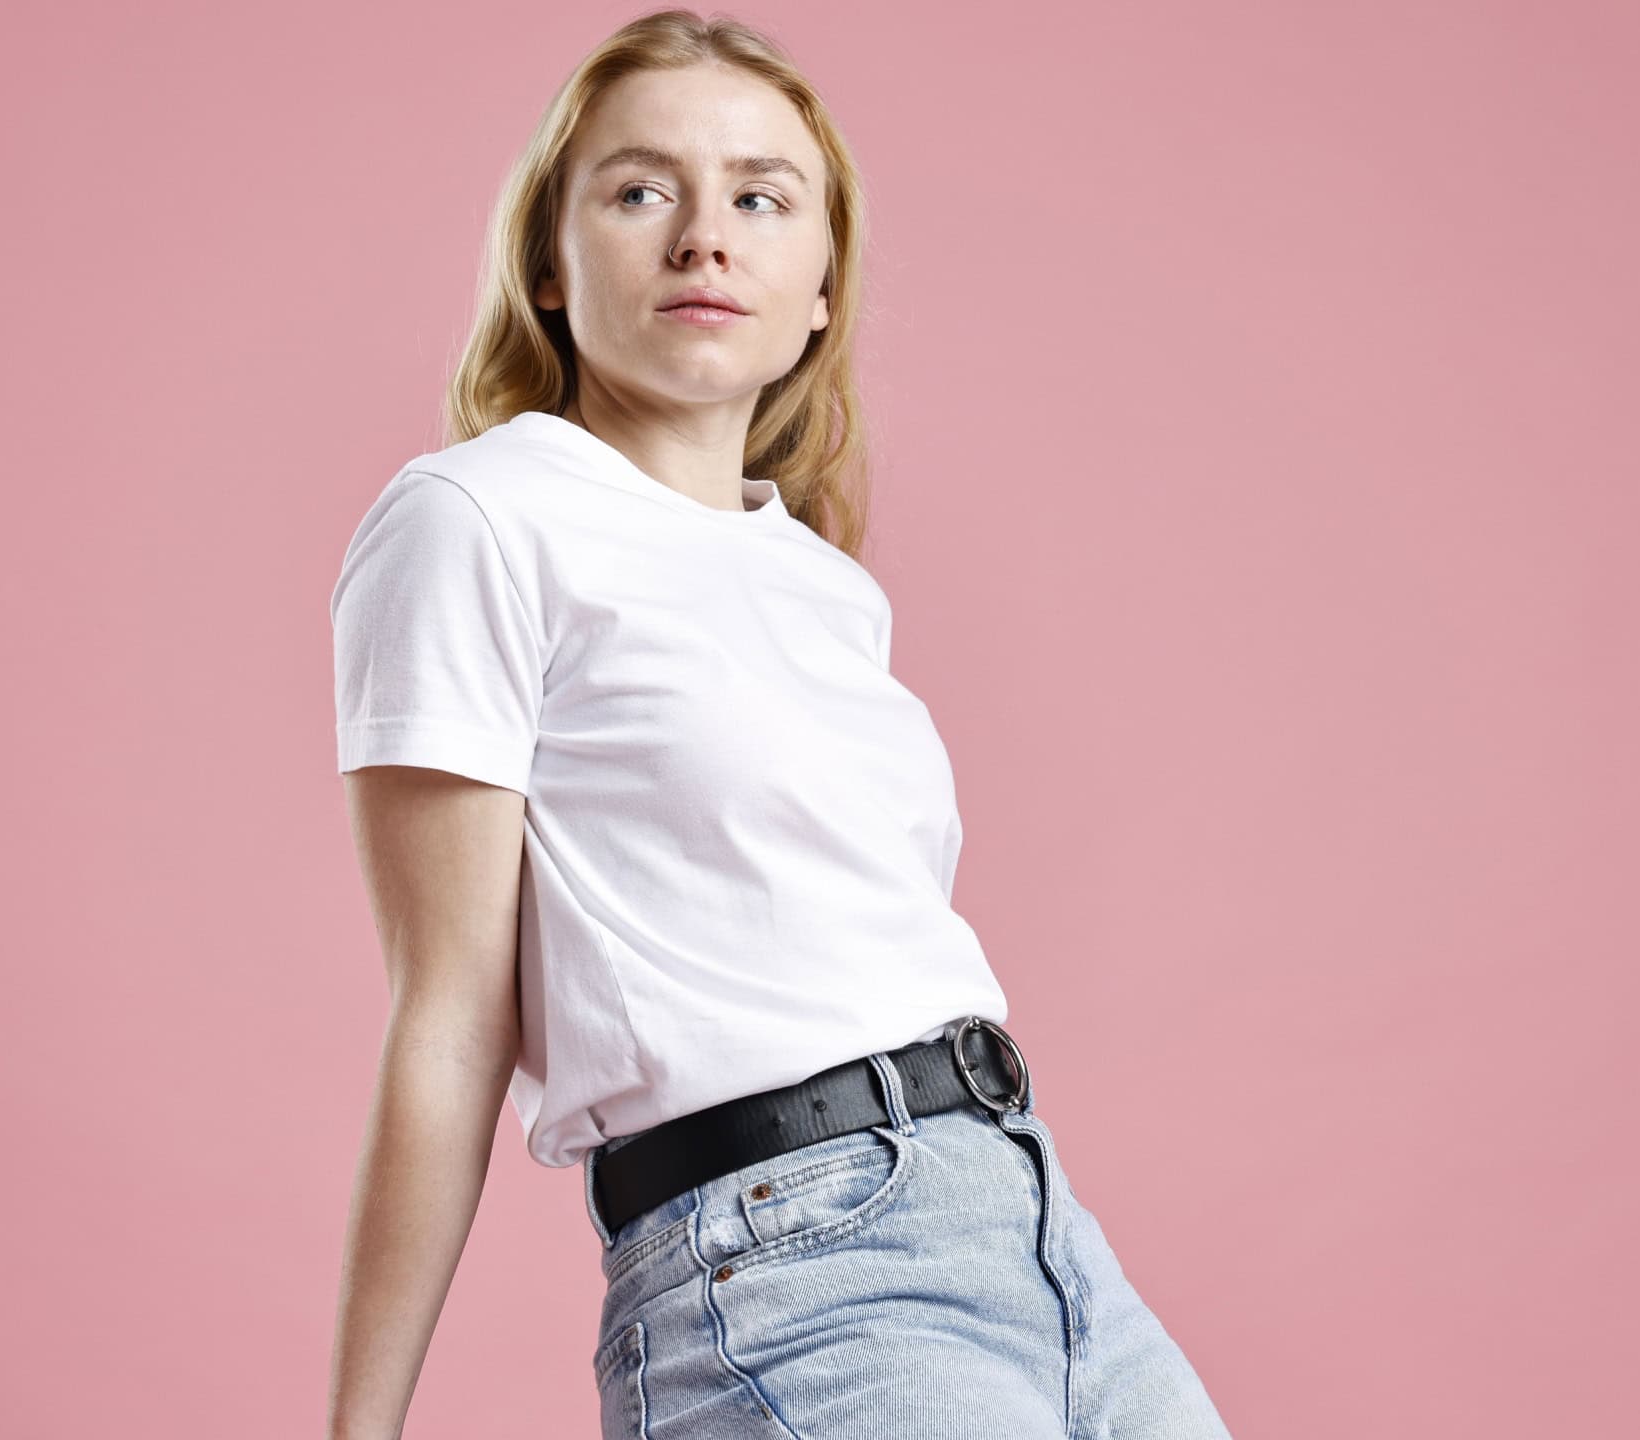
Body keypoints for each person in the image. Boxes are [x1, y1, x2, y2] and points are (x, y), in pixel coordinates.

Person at [325, 11, 1237, 1438]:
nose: (705, 237)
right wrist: (357, 1428)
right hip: (793, 1260)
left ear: (820, 287)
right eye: (641, 191)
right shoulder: (480, 519)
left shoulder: (816, 580)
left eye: (762, 195)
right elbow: (449, 1015)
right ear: (551, 266)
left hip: (1032, 1220)